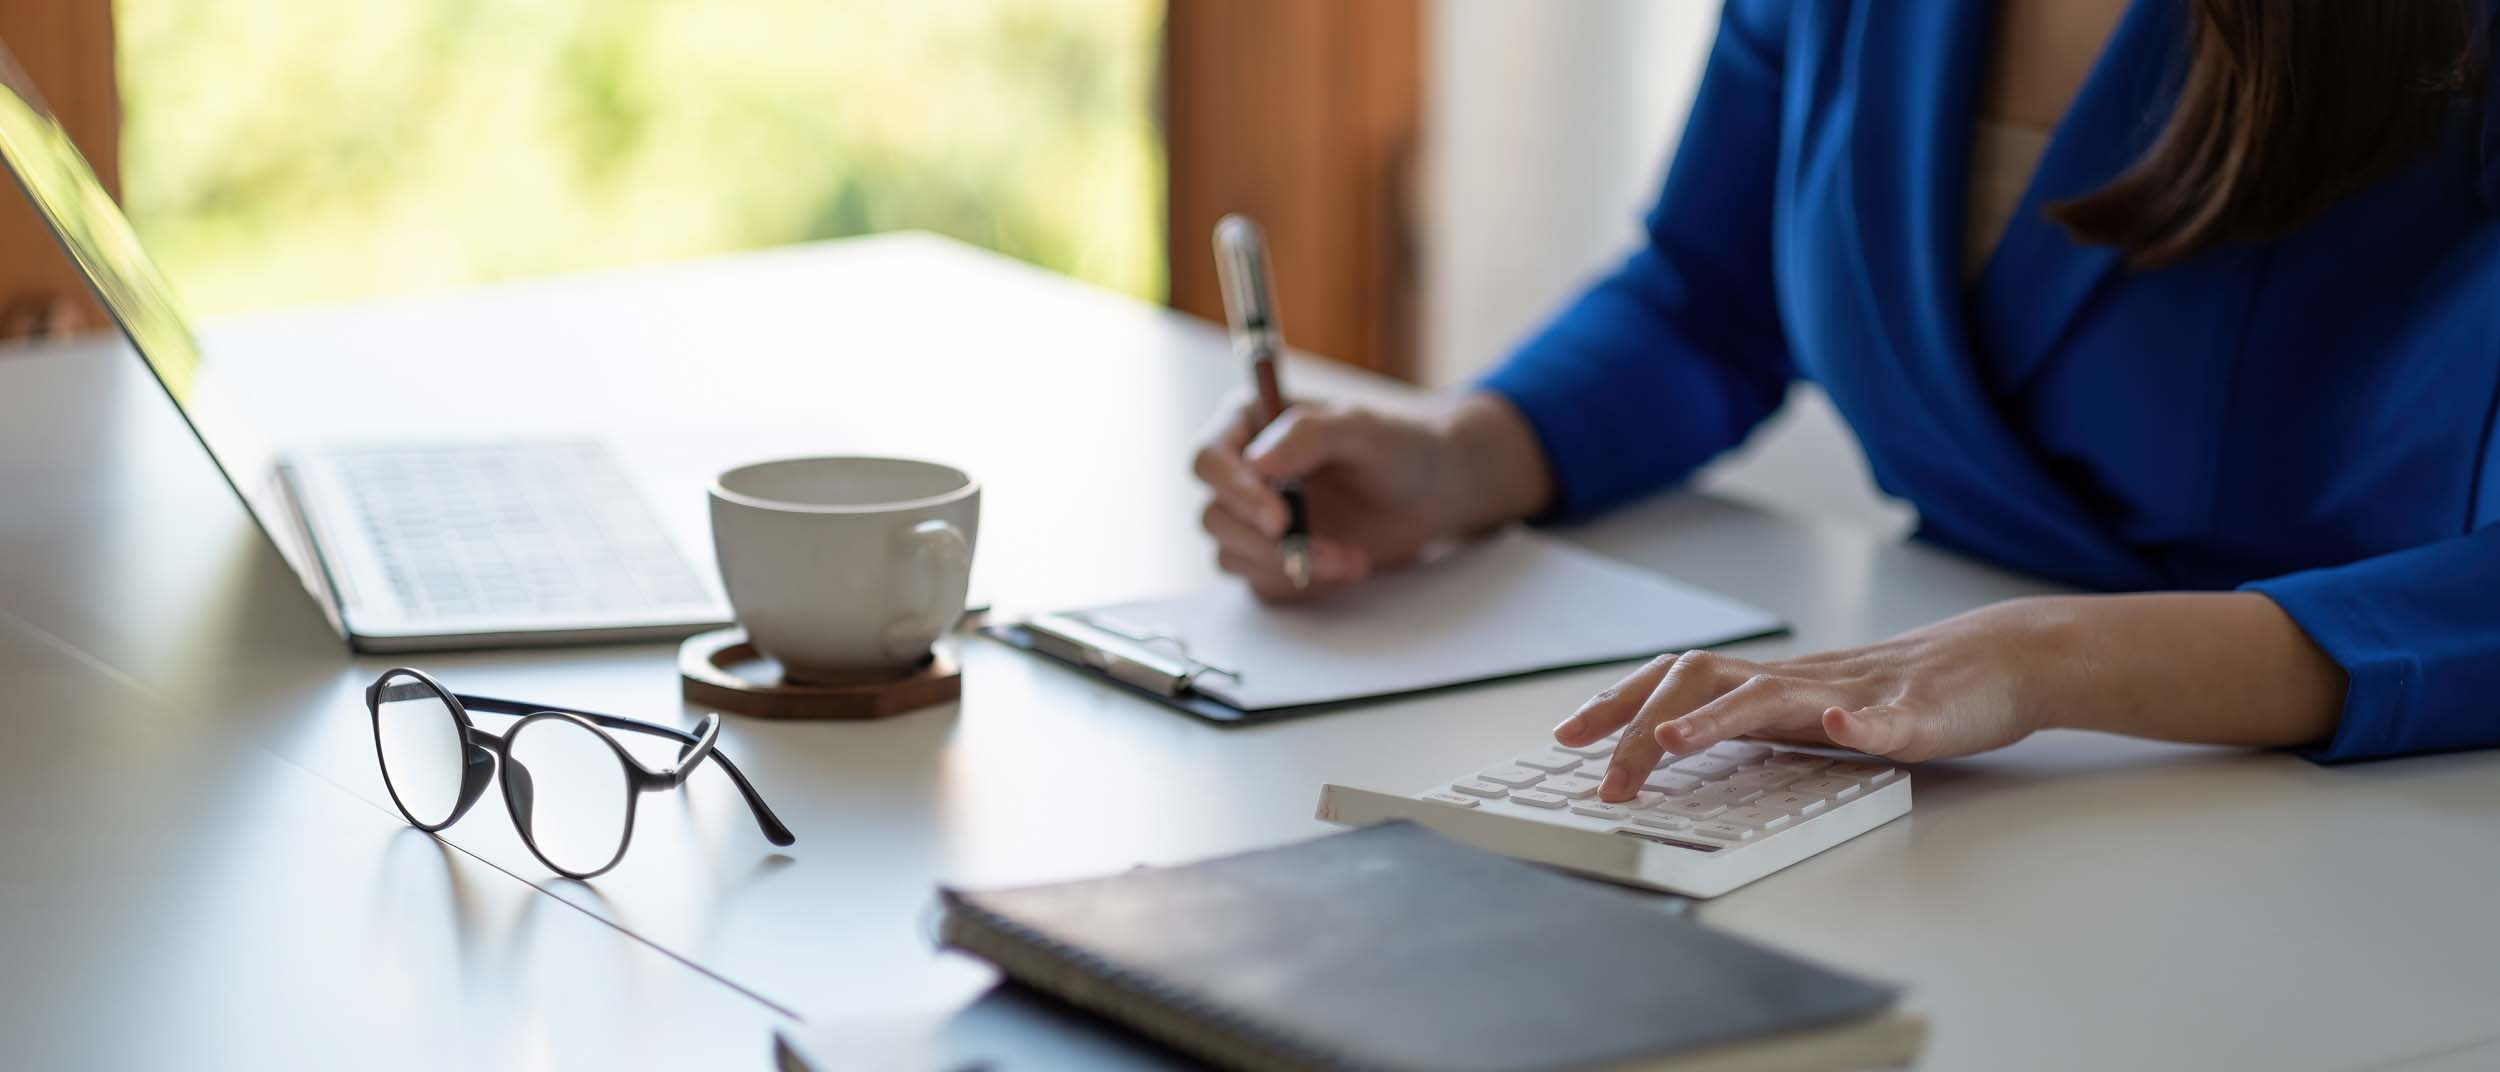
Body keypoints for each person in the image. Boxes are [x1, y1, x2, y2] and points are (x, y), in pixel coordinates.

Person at [1191, 0, 2500, 803]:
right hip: (1976, 792)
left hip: (2359, 807)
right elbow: (1709, 293)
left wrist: (2046, 660)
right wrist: (1465, 455)